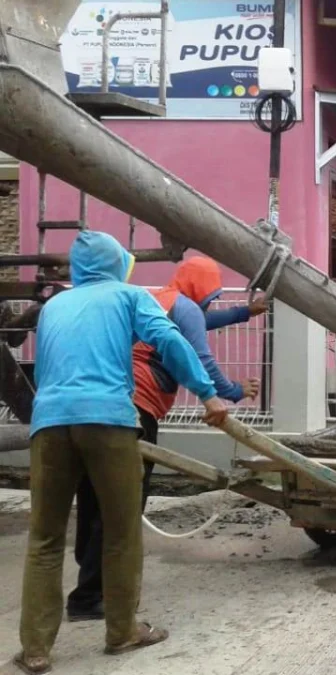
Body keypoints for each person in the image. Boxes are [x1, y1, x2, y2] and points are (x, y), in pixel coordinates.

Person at [15, 232, 227, 675]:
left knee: (45, 538)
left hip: (49, 423)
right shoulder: (130, 297)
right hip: (109, 419)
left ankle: (35, 649)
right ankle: (122, 631)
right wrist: (208, 394)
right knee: (121, 529)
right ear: (116, 264)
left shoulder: (54, 306)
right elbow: (169, 342)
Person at [66, 256, 263, 623]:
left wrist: (244, 312)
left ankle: (89, 585)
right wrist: (232, 391)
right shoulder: (185, 309)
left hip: (102, 406)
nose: (210, 302)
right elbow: (199, 356)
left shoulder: (161, 299)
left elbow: (202, 322)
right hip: (136, 411)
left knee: (93, 499)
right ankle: (92, 596)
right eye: (212, 294)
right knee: (124, 505)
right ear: (203, 288)